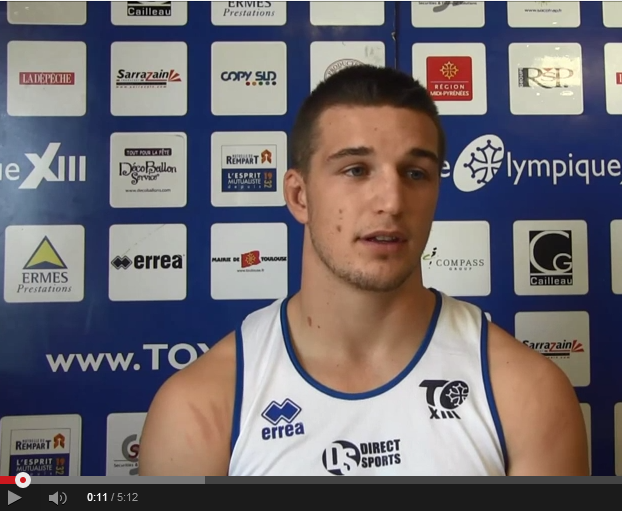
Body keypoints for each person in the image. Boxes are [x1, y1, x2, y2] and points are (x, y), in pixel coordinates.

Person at [138, 65, 589, 476]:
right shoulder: (200, 405)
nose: (391, 202)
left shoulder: (526, 393)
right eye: (356, 170)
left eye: (415, 173)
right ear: (299, 196)